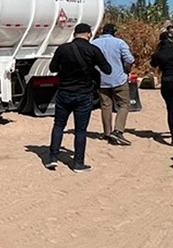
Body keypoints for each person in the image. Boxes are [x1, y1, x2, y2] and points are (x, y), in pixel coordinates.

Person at [47, 22, 113, 173]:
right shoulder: (93, 50)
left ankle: (52, 158)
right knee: (80, 130)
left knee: (58, 125)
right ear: (89, 34)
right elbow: (107, 70)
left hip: (64, 92)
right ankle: (78, 163)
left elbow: (52, 68)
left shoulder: (62, 49)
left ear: (74, 34)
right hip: (84, 95)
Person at [91, 23, 135, 145]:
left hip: (101, 80)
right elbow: (129, 59)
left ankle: (107, 133)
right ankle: (118, 130)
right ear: (114, 32)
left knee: (105, 105)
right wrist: (128, 70)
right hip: (118, 79)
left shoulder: (94, 43)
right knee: (124, 104)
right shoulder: (120, 43)